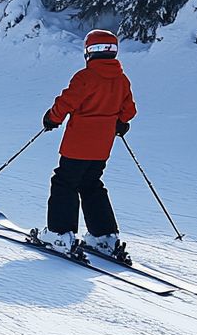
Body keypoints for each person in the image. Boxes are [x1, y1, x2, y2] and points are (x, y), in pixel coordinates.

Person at [36, 29, 136, 260]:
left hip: (78, 144)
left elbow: (67, 101)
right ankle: (104, 237)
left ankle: (60, 234)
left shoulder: (85, 77)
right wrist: (121, 122)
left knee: (64, 182)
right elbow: (129, 109)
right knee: (91, 183)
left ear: (88, 52)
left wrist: (52, 118)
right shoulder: (122, 79)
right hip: (102, 146)